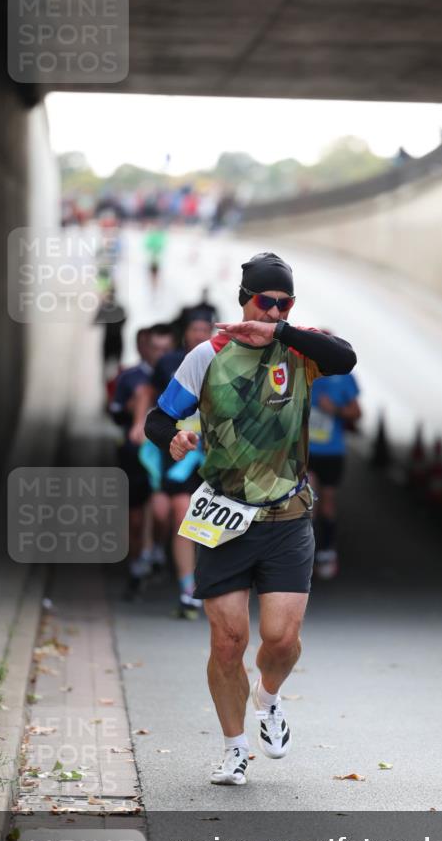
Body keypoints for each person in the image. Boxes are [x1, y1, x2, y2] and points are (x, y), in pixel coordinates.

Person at [145, 252, 356, 786]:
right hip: (224, 516)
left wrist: (281, 330)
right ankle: (234, 748)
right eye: (267, 301)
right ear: (245, 299)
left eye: (286, 303)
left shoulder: (299, 349)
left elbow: (345, 358)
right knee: (228, 642)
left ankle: (269, 697)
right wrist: (174, 438)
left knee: (281, 640)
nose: (276, 311)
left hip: (287, 517)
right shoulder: (207, 355)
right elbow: (157, 417)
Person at [138, 311, 215, 619]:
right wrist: (140, 423)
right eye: (195, 329)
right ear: (185, 333)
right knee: (172, 511)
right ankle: (181, 579)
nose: (199, 334)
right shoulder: (170, 363)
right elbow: (150, 395)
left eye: (205, 329)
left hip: (213, 455)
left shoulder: (224, 361)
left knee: (192, 515)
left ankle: (197, 585)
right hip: (178, 450)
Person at [110, 324, 175, 598]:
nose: (160, 355)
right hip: (134, 455)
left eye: (166, 349)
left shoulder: (179, 376)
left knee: (162, 512)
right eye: (155, 348)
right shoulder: (130, 377)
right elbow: (115, 413)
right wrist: (133, 411)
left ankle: (158, 550)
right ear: (144, 347)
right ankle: (136, 567)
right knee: (135, 519)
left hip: (166, 455)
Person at [308, 366, 361, 579]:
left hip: (332, 452)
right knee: (309, 502)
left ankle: (327, 551)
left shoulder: (344, 378)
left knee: (327, 503)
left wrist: (334, 410)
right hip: (307, 452)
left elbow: (357, 413)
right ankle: (308, 553)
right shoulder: (303, 371)